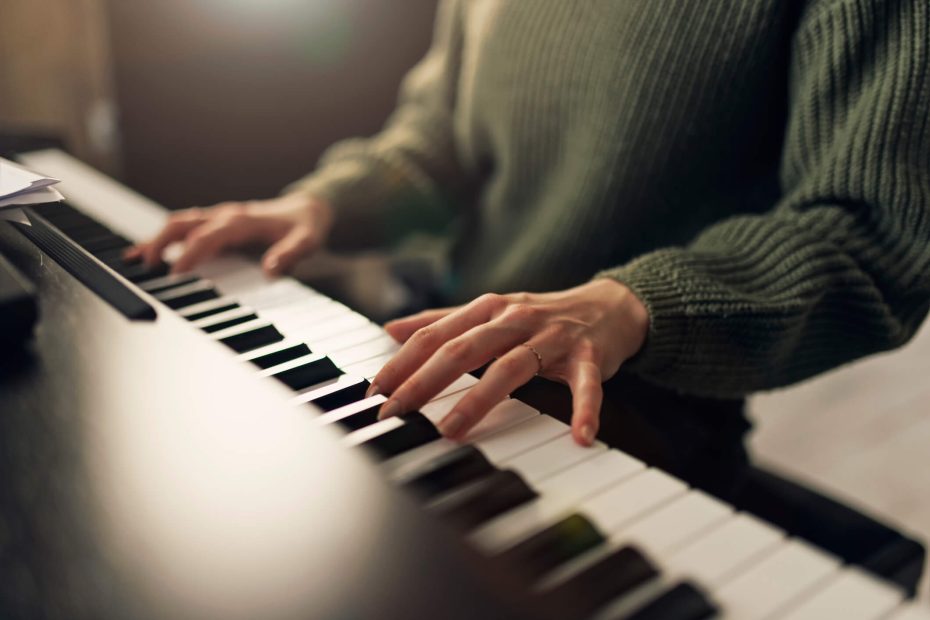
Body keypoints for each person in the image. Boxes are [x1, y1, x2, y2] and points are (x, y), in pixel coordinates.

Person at [128, 0, 930, 447]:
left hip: (627, 416)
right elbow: (441, 137)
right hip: (438, 359)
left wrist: (628, 302)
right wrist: (327, 202)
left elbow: (872, 234)